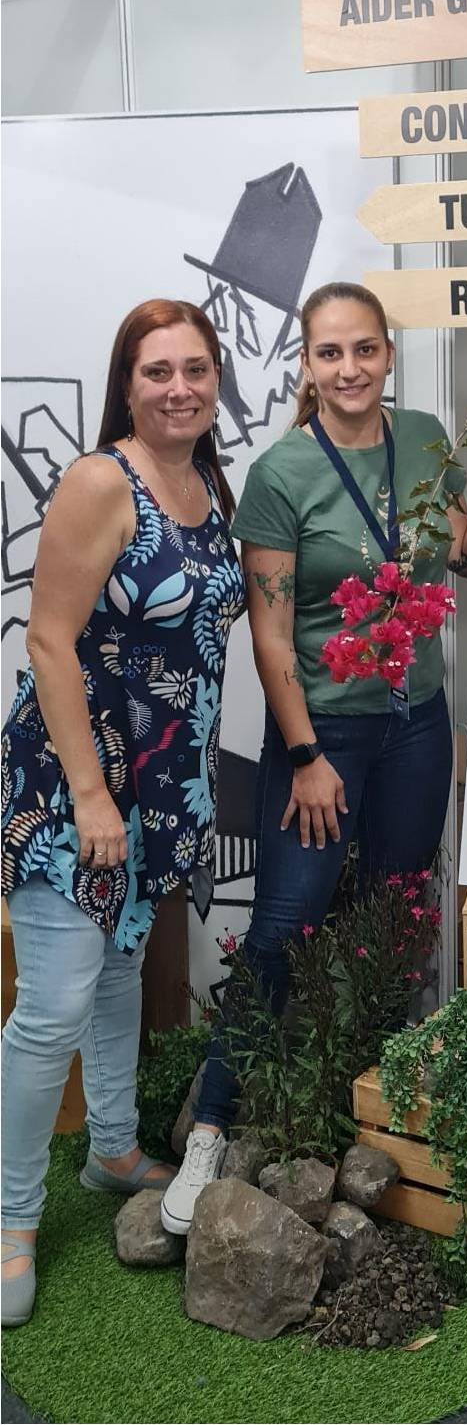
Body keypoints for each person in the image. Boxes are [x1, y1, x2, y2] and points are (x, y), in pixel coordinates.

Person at [162, 281, 467, 1232]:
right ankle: (212, 1125)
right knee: (284, 926)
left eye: (364, 350)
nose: (349, 369)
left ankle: (373, 1103)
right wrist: (307, 754)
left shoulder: (427, 439)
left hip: (416, 724)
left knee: (395, 914)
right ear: (307, 366)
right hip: (322, 735)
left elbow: (465, 556)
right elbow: (272, 638)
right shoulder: (281, 473)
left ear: (388, 354)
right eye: (330, 353)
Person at [0, 299, 245, 1327]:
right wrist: (93, 795)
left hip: (158, 785)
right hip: (76, 785)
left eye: (195, 368)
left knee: (115, 973)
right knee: (53, 1002)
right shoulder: (102, 481)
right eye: (157, 371)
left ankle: (110, 1149)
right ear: (127, 384)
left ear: (216, 379)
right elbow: (48, 641)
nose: (178, 388)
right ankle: (10, 1219)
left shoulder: (206, 483)